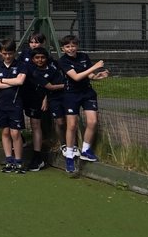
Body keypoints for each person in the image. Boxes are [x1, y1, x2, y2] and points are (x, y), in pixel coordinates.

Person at [58, 35, 108, 173]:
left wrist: (98, 76)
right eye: (67, 46)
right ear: (63, 48)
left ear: (77, 46)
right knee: (72, 125)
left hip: (87, 93)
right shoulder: (63, 61)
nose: (71, 49)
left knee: (92, 122)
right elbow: (76, 77)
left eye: (73, 46)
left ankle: (86, 150)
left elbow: (88, 76)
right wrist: (95, 67)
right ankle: (69, 155)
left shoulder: (84, 56)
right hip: (71, 95)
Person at [21, 46, 65, 172]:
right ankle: (23, 146)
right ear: (32, 59)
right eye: (37, 58)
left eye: (42, 57)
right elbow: (50, 86)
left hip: (42, 100)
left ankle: (38, 156)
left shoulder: (53, 67)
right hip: (27, 98)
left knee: (36, 125)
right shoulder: (31, 69)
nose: (40, 60)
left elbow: (51, 86)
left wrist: (46, 97)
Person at [0, 39, 27, 173]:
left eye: (10, 53)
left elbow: (20, 81)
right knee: (5, 132)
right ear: (0, 53)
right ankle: (9, 161)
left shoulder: (21, 65)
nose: (7, 56)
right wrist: (12, 82)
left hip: (15, 104)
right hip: (1, 105)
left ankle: (18, 162)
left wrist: (2, 80)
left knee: (15, 133)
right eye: (5, 53)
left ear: (14, 53)